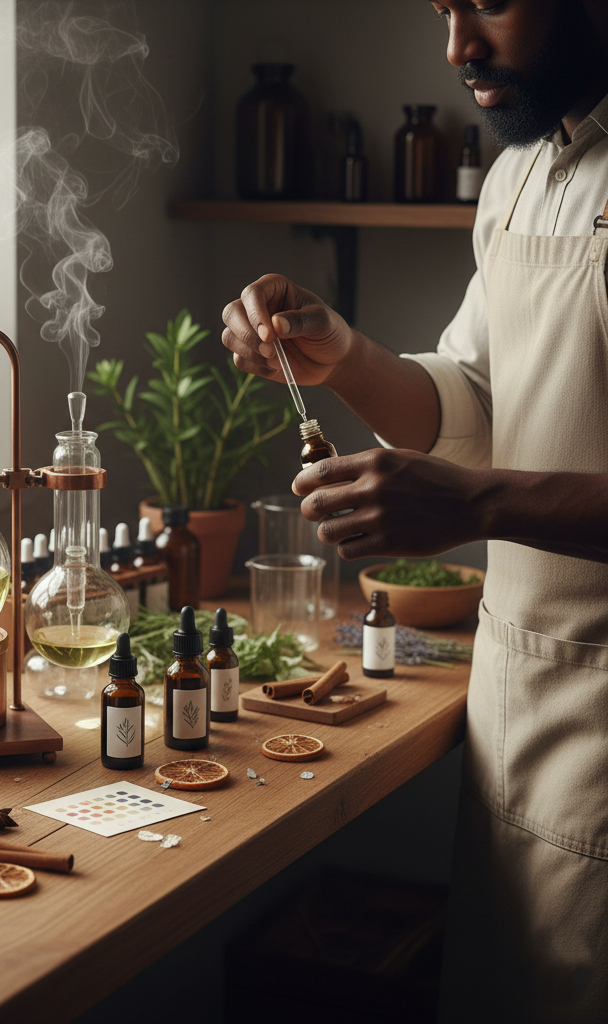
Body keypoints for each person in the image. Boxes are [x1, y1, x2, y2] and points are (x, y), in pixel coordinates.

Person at [221, 2, 608, 1021]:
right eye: (442, 9)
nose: (456, 48)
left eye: (488, 2)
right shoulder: (528, 164)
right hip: (520, 709)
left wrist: (476, 500)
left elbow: (476, 471)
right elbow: (478, 400)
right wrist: (343, 355)